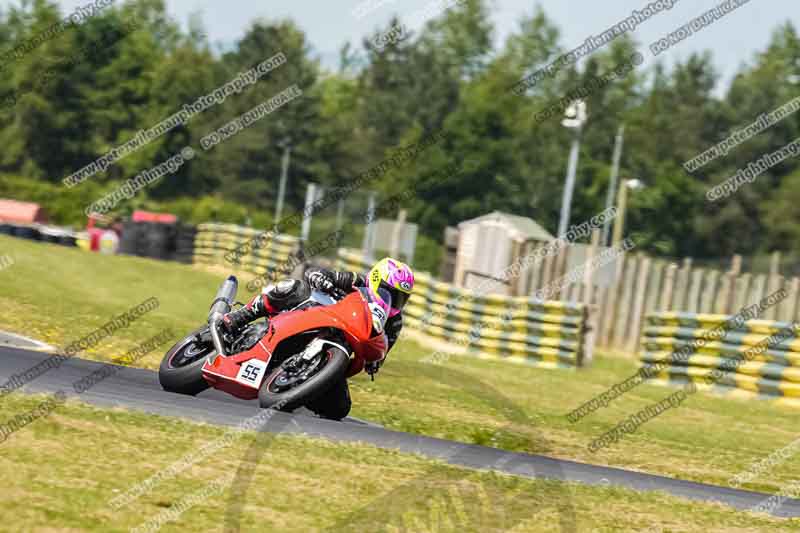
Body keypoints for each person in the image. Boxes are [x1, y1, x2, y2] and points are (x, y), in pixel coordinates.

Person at [222, 257, 415, 419]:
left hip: (343, 345)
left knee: (339, 409)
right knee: (294, 287)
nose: (394, 300)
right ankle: (242, 316)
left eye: (400, 298)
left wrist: (375, 362)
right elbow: (314, 272)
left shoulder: (394, 323)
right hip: (315, 314)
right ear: (375, 279)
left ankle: (303, 385)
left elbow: (381, 352)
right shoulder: (356, 281)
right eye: (388, 292)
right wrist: (322, 279)